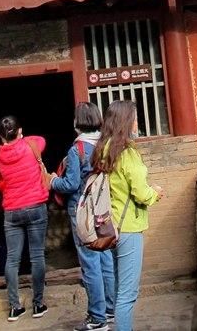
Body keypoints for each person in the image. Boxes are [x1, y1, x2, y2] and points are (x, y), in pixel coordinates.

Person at [91, 101, 163, 331]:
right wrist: (155, 193)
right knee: (127, 294)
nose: (137, 123)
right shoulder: (127, 153)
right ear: (125, 122)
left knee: (119, 288)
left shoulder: (102, 150)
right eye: (134, 118)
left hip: (109, 227)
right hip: (128, 229)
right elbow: (141, 193)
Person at [50, 103, 115, 331]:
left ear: (78, 122)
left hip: (82, 211)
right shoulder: (105, 144)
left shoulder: (77, 149)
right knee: (105, 256)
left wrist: (51, 181)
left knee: (89, 264)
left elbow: (71, 184)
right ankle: (109, 310)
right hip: (102, 208)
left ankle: (97, 319)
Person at [0, 116, 49, 321]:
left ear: (0, 137)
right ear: (20, 131)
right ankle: (38, 304)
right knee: (37, 256)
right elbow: (41, 140)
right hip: (36, 207)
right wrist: (21, 137)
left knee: (12, 259)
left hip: (12, 211)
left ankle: (15, 307)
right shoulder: (32, 145)